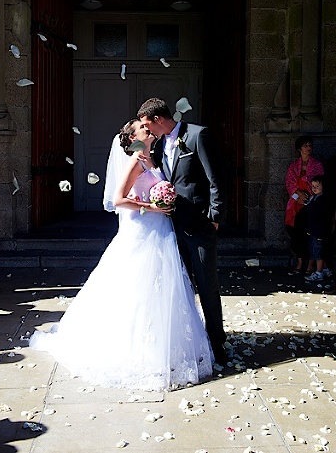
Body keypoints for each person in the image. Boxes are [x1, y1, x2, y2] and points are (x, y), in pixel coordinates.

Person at [29, 119, 214, 391]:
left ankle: (164, 345)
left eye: (146, 125)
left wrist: (164, 202)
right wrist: (153, 207)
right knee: (137, 287)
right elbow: (118, 199)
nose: (146, 129)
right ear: (132, 136)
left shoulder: (154, 157)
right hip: (143, 230)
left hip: (161, 231)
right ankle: (137, 348)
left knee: (163, 289)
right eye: (141, 127)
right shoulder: (135, 161)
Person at [137, 97, 228, 364]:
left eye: (146, 124)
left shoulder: (197, 135)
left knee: (207, 286)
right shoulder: (157, 146)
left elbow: (216, 178)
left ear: (158, 119)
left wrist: (214, 218)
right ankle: (189, 343)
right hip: (170, 229)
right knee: (180, 289)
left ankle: (216, 342)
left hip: (200, 227)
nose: (146, 130)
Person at [285, 135, 324, 274]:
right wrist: (297, 196)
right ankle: (300, 260)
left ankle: (311, 264)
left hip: (311, 203)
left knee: (311, 234)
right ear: (299, 149)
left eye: (310, 146)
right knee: (296, 233)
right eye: (305, 146)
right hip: (295, 204)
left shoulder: (317, 165)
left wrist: (307, 195)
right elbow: (290, 184)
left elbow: (318, 183)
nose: (308, 148)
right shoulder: (294, 166)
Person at [302, 175, 335, 284]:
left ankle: (319, 272)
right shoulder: (314, 198)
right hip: (314, 230)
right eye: (313, 186)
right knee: (316, 251)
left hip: (320, 231)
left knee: (318, 253)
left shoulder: (324, 200)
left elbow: (323, 217)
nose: (314, 188)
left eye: (317, 186)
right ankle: (325, 269)